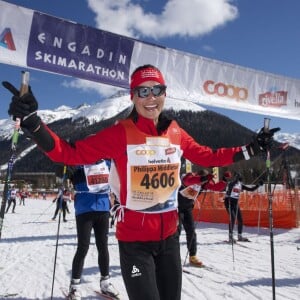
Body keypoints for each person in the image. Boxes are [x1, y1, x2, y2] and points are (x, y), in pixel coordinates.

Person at [3, 64, 279, 300]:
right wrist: (33, 123)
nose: (150, 97)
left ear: (165, 94)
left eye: (156, 90)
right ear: (132, 96)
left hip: (170, 239)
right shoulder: (119, 133)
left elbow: (207, 155)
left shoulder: (175, 131)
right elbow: (68, 152)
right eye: (142, 91)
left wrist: (250, 149)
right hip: (135, 245)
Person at [66, 160, 119, 299]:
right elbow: (65, 173)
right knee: (83, 247)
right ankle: (74, 287)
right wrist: (65, 169)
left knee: (103, 246)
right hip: (84, 209)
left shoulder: (107, 164)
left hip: (102, 208)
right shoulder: (79, 164)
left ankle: (105, 282)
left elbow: (117, 177)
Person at [178, 170, 227, 267]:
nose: (202, 184)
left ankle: (192, 256)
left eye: (203, 183)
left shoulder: (203, 184)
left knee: (191, 232)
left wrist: (225, 180)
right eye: (202, 181)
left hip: (187, 209)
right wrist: (203, 178)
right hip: (176, 208)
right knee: (176, 232)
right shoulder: (190, 176)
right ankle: (173, 256)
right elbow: (188, 181)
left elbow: (216, 187)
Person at [223, 171, 264, 242]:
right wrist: (235, 180)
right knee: (232, 218)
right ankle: (230, 237)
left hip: (235, 202)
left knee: (240, 219)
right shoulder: (231, 183)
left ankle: (239, 236)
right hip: (228, 201)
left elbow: (251, 189)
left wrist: (258, 185)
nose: (239, 181)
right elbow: (230, 186)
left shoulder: (240, 185)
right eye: (238, 178)